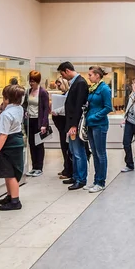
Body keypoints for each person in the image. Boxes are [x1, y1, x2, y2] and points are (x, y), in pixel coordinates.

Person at [0, 85, 26, 211]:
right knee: (9, 172)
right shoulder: (19, 109)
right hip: (16, 141)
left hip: (8, 144)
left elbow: (3, 134)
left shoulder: (6, 114)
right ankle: (10, 195)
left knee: (10, 174)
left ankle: (15, 200)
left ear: (6, 98)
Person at [57, 62, 89, 190]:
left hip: (74, 124)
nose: (63, 77)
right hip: (70, 124)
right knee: (73, 151)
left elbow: (78, 106)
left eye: (62, 74)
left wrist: (74, 125)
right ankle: (76, 176)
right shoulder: (75, 83)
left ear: (67, 71)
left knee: (78, 152)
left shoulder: (80, 83)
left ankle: (81, 179)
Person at [85, 66, 113, 192]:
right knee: (95, 153)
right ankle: (96, 180)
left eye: (90, 74)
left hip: (99, 124)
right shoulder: (93, 88)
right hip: (91, 124)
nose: (88, 77)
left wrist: (95, 116)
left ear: (97, 75)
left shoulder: (104, 89)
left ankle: (101, 182)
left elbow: (108, 107)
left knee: (100, 153)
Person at [23, 71, 50, 177]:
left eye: (33, 81)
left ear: (37, 81)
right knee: (31, 144)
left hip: (38, 121)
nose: (31, 83)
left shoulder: (43, 92)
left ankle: (39, 167)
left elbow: (45, 109)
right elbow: (25, 104)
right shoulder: (28, 91)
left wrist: (44, 124)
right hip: (29, 121)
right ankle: (34, 167)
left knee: (38, 144)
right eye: (30, 81)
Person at [52, 78, 72, 180]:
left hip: (65, 123)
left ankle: (68, 170)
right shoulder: (65, 94)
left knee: (66, 147)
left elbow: (67, 108)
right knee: (64, 147)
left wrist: (57, 110)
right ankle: (66, 168)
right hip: (61, 124)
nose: (58, 87)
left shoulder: (68, 94)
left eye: (59, 85)